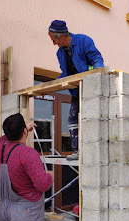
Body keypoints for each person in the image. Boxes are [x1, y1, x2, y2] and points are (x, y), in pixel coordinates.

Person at [48, 20, 104, 160]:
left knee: (91, 119)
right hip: (76, 90)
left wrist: (98, 68)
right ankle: (78, 152)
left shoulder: (83, 41)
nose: (53, 43)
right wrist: (55, 83)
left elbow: (96, 58)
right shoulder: (60, 53)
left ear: (61, 36)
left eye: (53, 40)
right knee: (73, 119)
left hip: (90, 88)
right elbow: (66, 73)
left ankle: (94, 152)